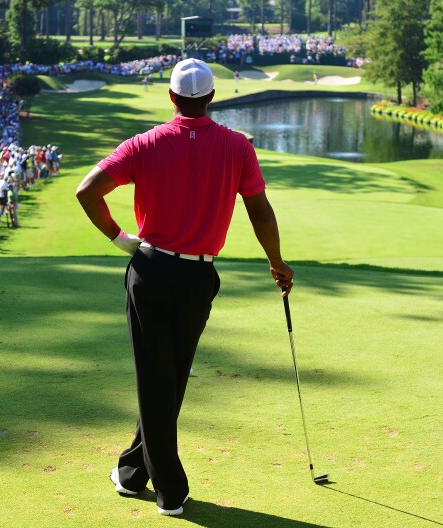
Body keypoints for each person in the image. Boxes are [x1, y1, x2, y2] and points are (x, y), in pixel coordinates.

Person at [76, 58, 294, 517]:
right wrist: (277, 263)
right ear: (212, 98)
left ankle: (153, 483)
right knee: (166, 378)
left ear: (172, 98)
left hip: (150, 271)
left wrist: (120, 240)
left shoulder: (144, 144)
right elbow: (261, 212)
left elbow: (87, 191)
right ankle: (150, 480)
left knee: (164, 379)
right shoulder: (238, 147)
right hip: (199, 278)